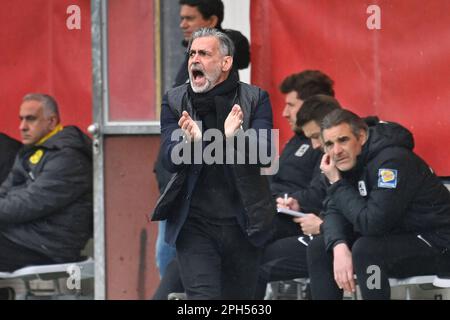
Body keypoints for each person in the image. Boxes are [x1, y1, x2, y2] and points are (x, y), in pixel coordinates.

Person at [152, 28, 275, 300]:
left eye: (204, 53)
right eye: (192, 53)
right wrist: (192, 145)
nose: (194, 59)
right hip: (194, 223)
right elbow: (169, 159)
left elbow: (266, 154)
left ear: (226, 63)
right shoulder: (174, 100)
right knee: (202, 299)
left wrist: (237, 138)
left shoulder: (255, 99)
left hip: (243, 223)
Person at [307, 109, 450, 299]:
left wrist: (337, 183)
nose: (336, 151)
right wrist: (339, 245)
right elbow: (333, 209)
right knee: (320, 248)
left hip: (436, 242)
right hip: (395, 236)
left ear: (362, 137)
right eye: (329, 144)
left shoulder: (392, 161)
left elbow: (373, 224)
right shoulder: (345, 163)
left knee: (366, 250)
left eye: (343, 140)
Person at [154, 0, 251, 279]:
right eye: (181, 18)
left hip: (204, 178)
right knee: (169, 260)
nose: (182, 24)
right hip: (177, 174)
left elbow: (240, 49)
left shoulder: (221, 61)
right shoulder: (188, 65)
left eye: (189, 18)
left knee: (179, 263)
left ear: (210, 21)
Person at [255, 94, 342, 299]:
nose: (314, 146)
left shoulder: (348, 157)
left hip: (334, 237)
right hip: (322, 229)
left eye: (314, 137)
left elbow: (369, 216)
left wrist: (322, 225)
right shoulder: (325, 156)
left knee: (319, 250)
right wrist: (295, 203)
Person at [0, 93, 93, 271]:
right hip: (22, 237)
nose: (22, 127)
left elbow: (28, 204)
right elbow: (5, 192)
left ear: (51, 122)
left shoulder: (68, 156)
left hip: (47, 247)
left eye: (31, 119)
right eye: (21, 119)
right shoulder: (30, 152)